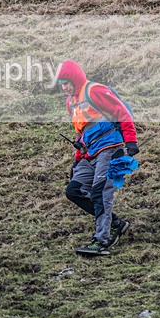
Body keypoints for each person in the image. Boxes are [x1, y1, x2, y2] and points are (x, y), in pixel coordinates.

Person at [56, 60, 139, 256]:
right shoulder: (71, 103)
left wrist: (130, 141)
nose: (64, 87)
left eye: (66, 83)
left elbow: (122, 112)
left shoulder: (94, 91)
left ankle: (102, 240)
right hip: (89, 153)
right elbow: (81, 133)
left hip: (110, 148)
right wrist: (77, 160)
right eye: (61, 84)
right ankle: (117, 224)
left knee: (100, 191)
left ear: (75, 79)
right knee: (73, 190)